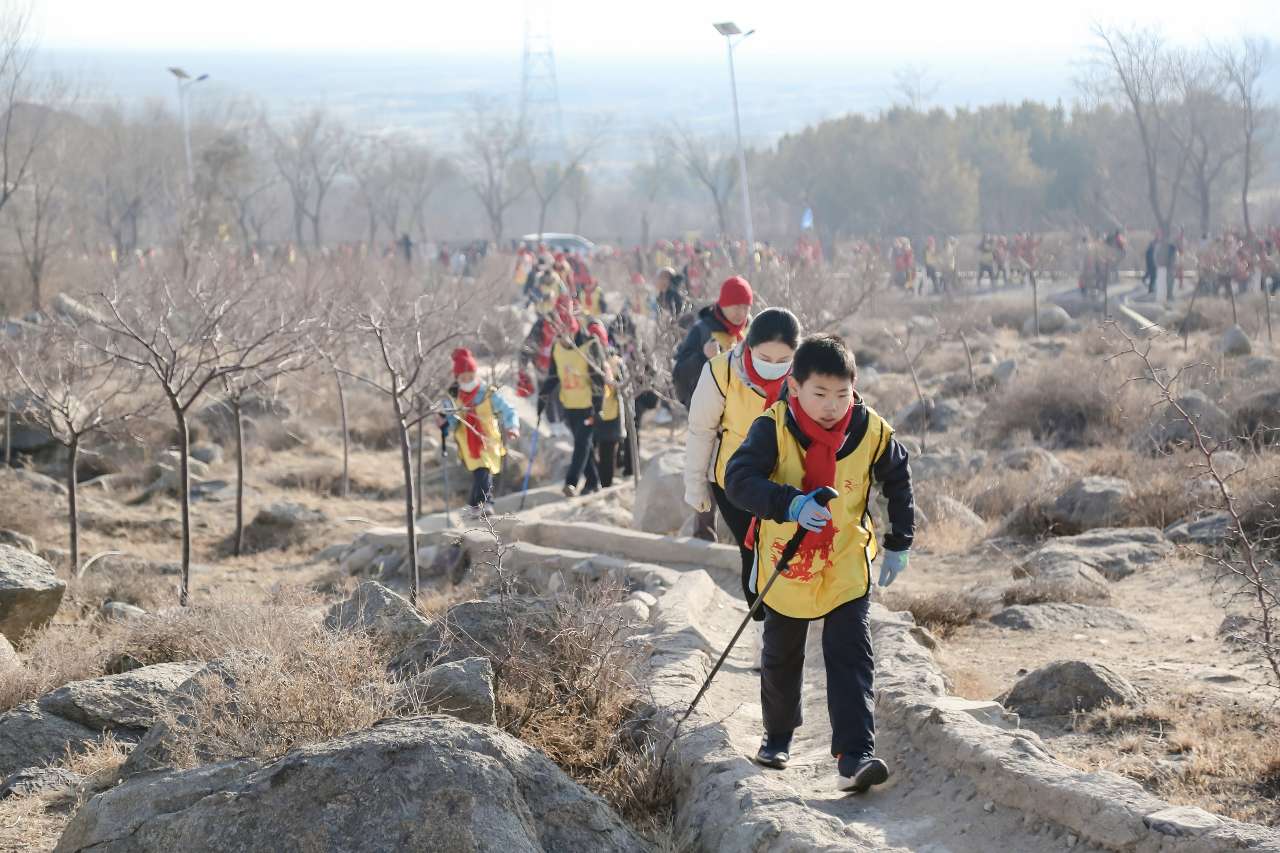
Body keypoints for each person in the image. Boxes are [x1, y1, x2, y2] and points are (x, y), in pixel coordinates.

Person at [724, 334, 914, 792]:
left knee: (850, 652)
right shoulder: (773, 427)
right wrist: (787, 504)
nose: (832, 406)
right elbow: (738, 480)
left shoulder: (872, 431)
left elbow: (898, 480)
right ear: (794, 387)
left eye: (842, 394)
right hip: (787, 561)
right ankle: (778, 736)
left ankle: (855, 755)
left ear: (854, 387)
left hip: (846, 559)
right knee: (782, 654)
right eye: (820, 394)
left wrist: (899, 541)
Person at [684, 308, 802, 660]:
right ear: (748, 345)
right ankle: (762, 637)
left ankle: (786, 631)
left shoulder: (804, 374)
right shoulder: (721, 372)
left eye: (784, 359)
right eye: (765, 357)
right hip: (735, 482)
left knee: (784, 556)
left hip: (786, 482)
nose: (774, 365)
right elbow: (701, 430)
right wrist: (695, 485)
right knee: (752, 554)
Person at [673, 275, 755, 539]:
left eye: (745, 307)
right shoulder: (703, 330)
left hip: (743, 414)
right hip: (712, 414)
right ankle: (704, 532)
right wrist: (703, 358)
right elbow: (680, 372)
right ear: (724, 304)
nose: (741, 312)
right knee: (708, 471)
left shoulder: (751, 330)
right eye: (736, 306)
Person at [538, 298, 610, 497]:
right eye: (560, 334)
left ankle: (571, 482)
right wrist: (542, 397)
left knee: (581, 443)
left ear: (574, 329)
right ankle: (594, 482)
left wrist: (598, 407)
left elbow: (597, 379)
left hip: (588, 405)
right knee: (582, 444)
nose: (564, 338)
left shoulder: (590, 346)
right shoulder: (557, 348)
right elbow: (553, 376)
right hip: (569, 404)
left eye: (567, 333)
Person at [444, 348, 519, 516]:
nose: (468, 381)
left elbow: (508, 410)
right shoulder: (453, 397)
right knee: (480, 472)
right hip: (467, 442)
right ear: (457, 378)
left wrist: (512, 426)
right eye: (464, 378)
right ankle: (475, 505)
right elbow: (449, 421)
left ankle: (484, 503)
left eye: (471, 376)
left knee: (484, 469)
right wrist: (445, 424)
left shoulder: (487, 393)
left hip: (488, 439)